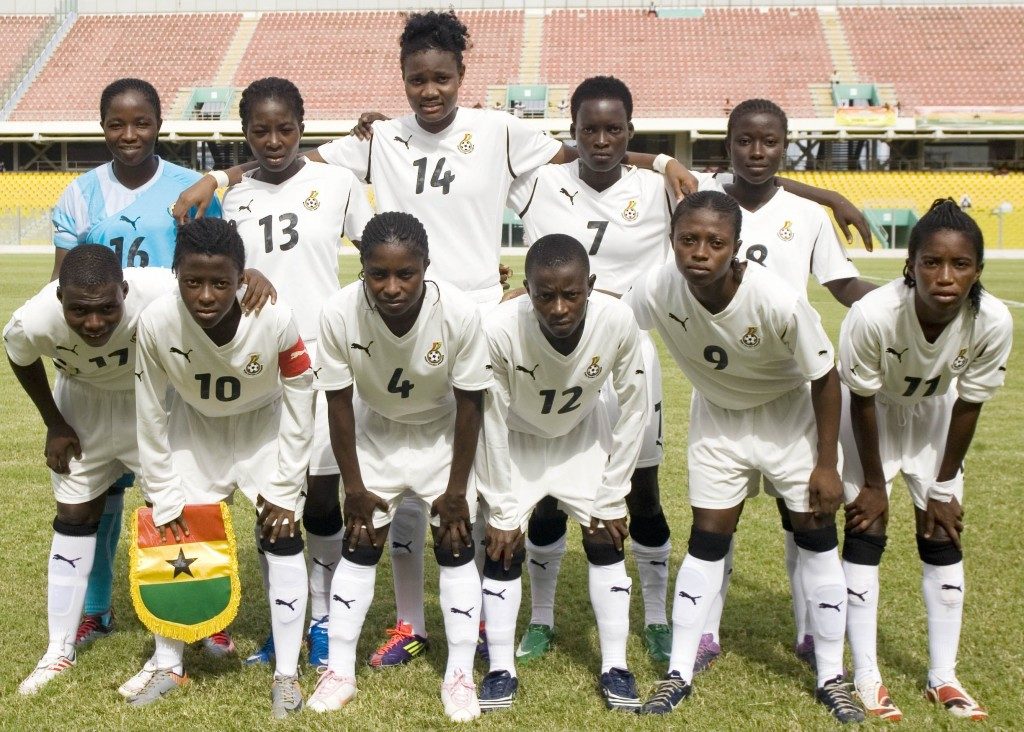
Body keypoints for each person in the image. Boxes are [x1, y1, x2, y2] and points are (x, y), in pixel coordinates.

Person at [172, 9, 697, 668]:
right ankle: (412, 622)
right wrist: (220, 177)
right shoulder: (380, 137)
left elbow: (593, 149)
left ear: (461, 76)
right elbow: (292, 160)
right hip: (396, 319)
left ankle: (479, 620)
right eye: (417, 79)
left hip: (474, 322)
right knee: (403, 482)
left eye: (441, 78)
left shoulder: (500, 130)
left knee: (474, 485)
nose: (429, 92)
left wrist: (664, 157)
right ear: (402, 78)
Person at [507, 80, 874, 667]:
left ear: (632, 129)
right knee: (547, 493)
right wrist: (657, 152)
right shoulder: (537, 181)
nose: (601, 141)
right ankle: (541, 619)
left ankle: (658, 618)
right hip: (556, 347)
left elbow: (748, 185)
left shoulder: (663, 189)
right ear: (571, 131)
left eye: (615, 130)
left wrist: (826, 196)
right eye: (588, 130)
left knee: (643, 491)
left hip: (632, 349)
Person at [624, 191, 863, 723]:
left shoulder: (776, 300)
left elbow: (825, 377)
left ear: (737, 250)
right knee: (707, 541)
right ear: (672, 241)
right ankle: (678, 674)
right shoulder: (659, 286)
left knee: (817, 539)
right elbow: (612, 318)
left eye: (715, 242)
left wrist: (827, 464)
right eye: (688, 239)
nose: (700, 252)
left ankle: (831, 676)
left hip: (787, 417)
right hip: (719, 421)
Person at [48, 78, 233, 657]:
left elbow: (217, 263)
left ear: (159, 124)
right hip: (101, 368)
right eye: (116, 124)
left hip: (171, 366)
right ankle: (96, 610)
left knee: (184, 489)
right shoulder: (80, 195)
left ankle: (201, 611)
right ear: (101, 125)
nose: (129, 135)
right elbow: (63, 284)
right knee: (98, 496)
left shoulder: (190, 186)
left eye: (141, 123)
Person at [696, 98, 877, 673]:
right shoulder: (701, 198)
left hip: (794, 385)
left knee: (803, 516)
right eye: (745, 141)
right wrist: (828, 191)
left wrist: (905, 301)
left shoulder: (806, 215)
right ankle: (705, 634)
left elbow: (843, 284)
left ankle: (807, 631)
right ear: (727, 143)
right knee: (715, 520)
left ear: (785, 145)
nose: (757, 152)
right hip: (722, 381)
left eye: (770, 142)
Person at [306, 212, 494, 722]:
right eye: (377, 274)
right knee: (360, 542)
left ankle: (458, 674)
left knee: (455, 544)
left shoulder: (459, 312)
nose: (391, 287)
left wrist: (457, 488)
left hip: (441, 435)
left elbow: (472, 403)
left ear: (425, 267)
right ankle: (341, 671)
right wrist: (353, 485)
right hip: (376, 433)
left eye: (405, 274)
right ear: (361, 269)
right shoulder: (339, 313)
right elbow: (339, 404)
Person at [131, 218, 314, 718]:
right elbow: (149, 410)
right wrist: (162, 485)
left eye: (221, 283)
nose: (206, 296)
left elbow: (302, 400)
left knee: (282, 533)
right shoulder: (155, 322)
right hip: (196, 431)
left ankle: (287, 677)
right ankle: (168, 663)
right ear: (175, 275)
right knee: (175, 530)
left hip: (264, 430)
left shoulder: (274, 316)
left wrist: (288, 482)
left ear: (242, 278)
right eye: (193, 282)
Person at [839, 199, 1011, 721]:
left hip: (936, 417)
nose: (945, 276)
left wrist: (943, 485)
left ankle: (944, 676)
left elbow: (969, 403)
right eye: (931, 262)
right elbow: (863, 399)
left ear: (978, 270)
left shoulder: (993, 319)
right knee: (868, 529)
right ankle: (867, 675)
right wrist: (873, 481)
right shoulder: (872, 314)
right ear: (909, 265)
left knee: (943, 533)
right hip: (871, 420)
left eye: (960, 264)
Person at [223, 77, 373, 669]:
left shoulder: (336, 183)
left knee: (321, 497)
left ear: (303, 125)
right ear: (245, 134)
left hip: (325, 357)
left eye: (285, 127)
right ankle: (285, 617)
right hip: (261, 365)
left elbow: (377, 254)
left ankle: (323, 616)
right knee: (271, 496)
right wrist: (242, 278)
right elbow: (212, 269)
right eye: (260, 130)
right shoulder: (232, 195)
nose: (274, 139)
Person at [479, 234, 648, 711]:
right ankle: (499, 669)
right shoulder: (498, 328)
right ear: (525, 290)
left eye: (571, 294)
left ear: (590, 286)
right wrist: (501, 504)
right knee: (502, 544)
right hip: (517, 443)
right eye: (544, 295)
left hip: (582, 438)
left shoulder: (616, 320)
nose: (558, 308)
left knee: (605, 536)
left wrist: (615, 493)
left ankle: (615, 664)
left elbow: (635, 410)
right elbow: (489, 421)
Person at [6, 246, 175, 695]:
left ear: (125, 290)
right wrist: (53, 423)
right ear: (59, 296)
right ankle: (59, 649)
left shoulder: (161, 290)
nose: (94, 323)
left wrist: (250, 276)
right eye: (78, 310)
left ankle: (168, 654)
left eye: (107, 309)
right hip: (81, 407)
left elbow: (212, 288)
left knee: (167, 514)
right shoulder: (35, 317)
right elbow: (19, 355)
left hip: (150, 402)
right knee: (75, 517)